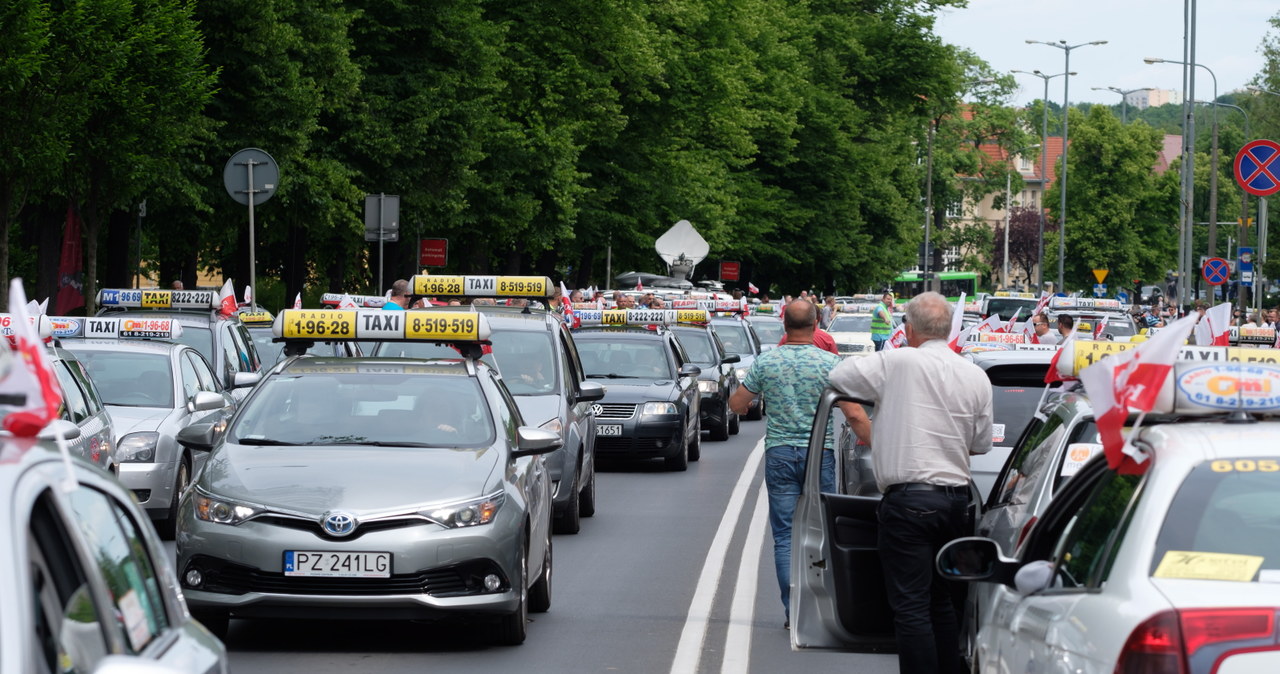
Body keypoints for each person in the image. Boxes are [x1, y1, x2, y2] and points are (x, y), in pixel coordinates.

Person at [828, 292, 993, 674]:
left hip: (909, 501)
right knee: (942, 601)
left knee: (911, 606)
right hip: (956, 501)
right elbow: (981, 444)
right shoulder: (975, 375)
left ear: (909, 328)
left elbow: (838, 376)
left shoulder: (898, 361)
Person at [728, 299, 869, 630]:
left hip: (779, 453)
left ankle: (794, 610)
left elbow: (736, 404)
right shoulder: (831, 364)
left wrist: (749, 405)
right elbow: (853, 413)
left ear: (784, 325)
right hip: (819, 454)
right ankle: (823, 607)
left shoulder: (768, 362)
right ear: (817, 323)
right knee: (821, 531)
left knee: (785, 536)